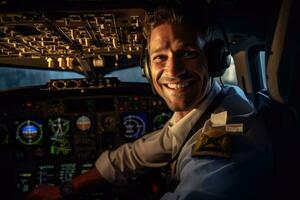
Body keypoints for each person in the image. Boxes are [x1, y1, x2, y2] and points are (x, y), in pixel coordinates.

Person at [26, 4, 272, 200]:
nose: (173, 71)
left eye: (187, 53)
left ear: (215, 61)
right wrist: (66, 188)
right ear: (147, 68)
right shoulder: (209, 107)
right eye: (160, 58)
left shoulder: (229, 133)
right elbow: (135, 154)